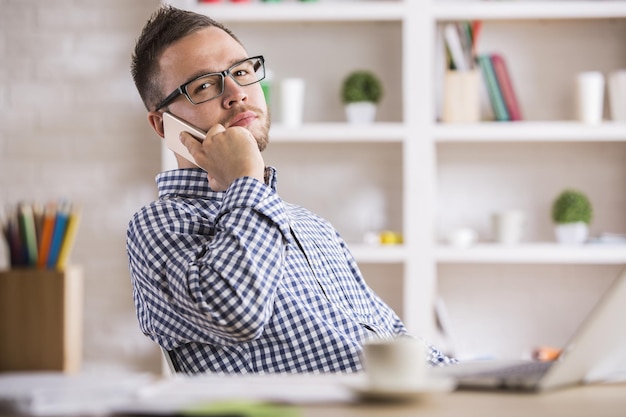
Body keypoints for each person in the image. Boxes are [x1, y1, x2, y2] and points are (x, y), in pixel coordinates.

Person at [127, 5, 456, 374]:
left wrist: (472, 379)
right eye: (204, 85)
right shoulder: (158, 226)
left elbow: (391, 339)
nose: (237, 93)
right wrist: (246, 179)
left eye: (241, 71)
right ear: (161, 124)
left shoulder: (310, 225)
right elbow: (239, 313)